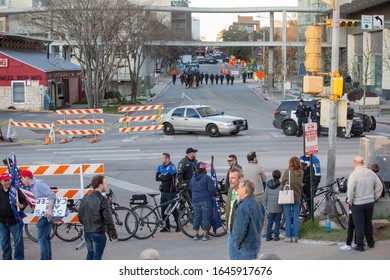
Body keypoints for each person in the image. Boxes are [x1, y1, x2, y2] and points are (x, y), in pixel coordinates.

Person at [347, 155, 383, 251]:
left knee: (359, 225)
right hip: (369, 202)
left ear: (355, 163)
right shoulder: (371, 173)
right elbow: (380, 186)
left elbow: (350, 191)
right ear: (363, 163)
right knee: (368, 223)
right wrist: (374, 197)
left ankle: (360, 245)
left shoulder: (353, 175)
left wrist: (350, 201)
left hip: (358, 203)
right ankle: (371, 243)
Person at [78, 174, 118, 260]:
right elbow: (108, 219)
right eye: (105, 183)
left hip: (87, 232)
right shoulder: (103, 199)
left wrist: (87, 225)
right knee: (97, 257)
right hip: (98, 232)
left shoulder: (85, 198)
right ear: (100, 185)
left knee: (90, 254)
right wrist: (113, 235)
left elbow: (80, 216)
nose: (106, 185)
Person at [19, 170, 56, 260]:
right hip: (43, 214)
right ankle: (47, 258)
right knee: (45, 238)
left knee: (41, 239)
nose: (22, 181)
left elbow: (51, 196)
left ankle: (44, 259)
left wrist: (49, 210)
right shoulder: (33, 186)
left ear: (27, 177)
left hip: (45, 215)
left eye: (22, 178)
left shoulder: (38, 184)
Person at [232, 180, 264, 260]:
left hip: (246, 246)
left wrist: (236, 243)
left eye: (239, 188)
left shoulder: (243, 207)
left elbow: (240, 230)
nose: (237, 190)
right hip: (255, 243)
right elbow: (261, 221)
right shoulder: (257, 203)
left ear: (245, 191)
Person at [0, 172, 26, 260]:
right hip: (2, 221)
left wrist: (21, 206)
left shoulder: (15, 191)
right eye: (5, 180)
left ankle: (19, 258)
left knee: (18, 242)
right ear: (1, 182)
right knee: (4, 241)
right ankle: (7, 258)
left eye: (9, 180)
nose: (7, 182)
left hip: (14, 220)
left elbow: (24, 202)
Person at [190, 162, 217, 241]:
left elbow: (191, 188)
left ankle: (195, 235)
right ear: (204, 169)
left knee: (197, 217)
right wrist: (215, 195)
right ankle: (205, 235)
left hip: (195, 199)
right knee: (206, 217)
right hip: (205, 199)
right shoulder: (206, 177)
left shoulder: (192, 178)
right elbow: (212, 189)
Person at [281, 156, 303, 243]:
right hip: (297, 196)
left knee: (287, 216)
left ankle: (288, 236)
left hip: (288, 196)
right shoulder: (301, 172)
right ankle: (295, 236)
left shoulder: (288, 172)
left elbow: (283, 182)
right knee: (295, 216)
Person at [156, 153, 179, 232]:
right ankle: (166, 226)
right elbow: (157, 178)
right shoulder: (160, 167)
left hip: (171, 191)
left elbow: (167, 177)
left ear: (167, 159)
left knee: (173, 209)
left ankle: (179, 226)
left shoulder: (172, 167)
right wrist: (163, 176)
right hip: (163, 191)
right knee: (163, 209)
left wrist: (162, 176)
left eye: (162, 158)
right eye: (161, 158)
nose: (161, 160)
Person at [226, 167, 244, 260]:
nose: (230, 180)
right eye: (229, 178)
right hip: (230, 231)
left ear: (240, 179)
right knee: (232, 258)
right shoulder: (231, 190)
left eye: (233, 178)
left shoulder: (245, 193)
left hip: (241, 234)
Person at [263, 170, 283, 241]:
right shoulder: (281, 186)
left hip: (270, 206)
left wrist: (265, 205)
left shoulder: (268, 185)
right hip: (278, 206)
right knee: (278, 221)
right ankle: (276, 236)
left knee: (270, 222)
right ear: (280, 176)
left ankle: (268, 236)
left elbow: (265, 196)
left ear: (272, 176)